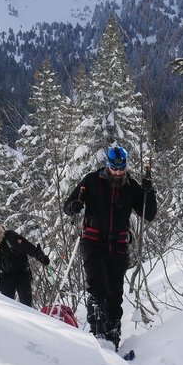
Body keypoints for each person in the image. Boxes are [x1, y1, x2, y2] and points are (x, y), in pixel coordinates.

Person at [62, 144, 157, 350]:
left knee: (115, 293)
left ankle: (112, 339)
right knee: (98, 288)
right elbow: (68, 206)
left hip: (119, 245)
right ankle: (98, 335)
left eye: (121, 168)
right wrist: (74, 207)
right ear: (108, 165)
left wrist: (149, 193)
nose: (117, 172)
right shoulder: (91, 180)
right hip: (93, 242)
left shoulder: (131, 186)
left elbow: (148, 214)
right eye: (114, 168)